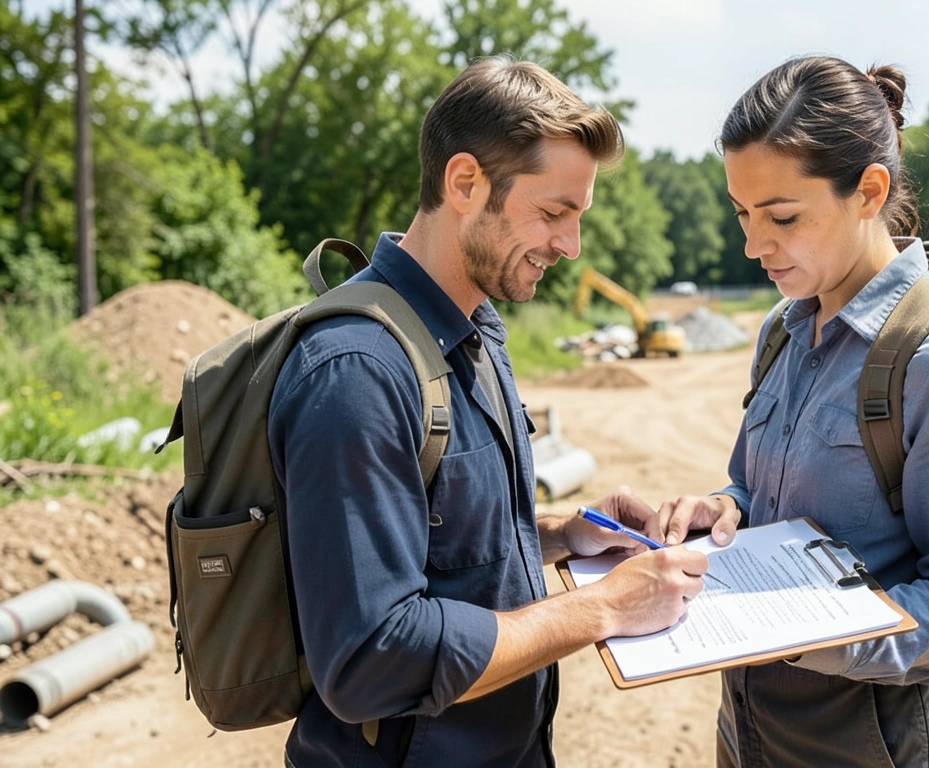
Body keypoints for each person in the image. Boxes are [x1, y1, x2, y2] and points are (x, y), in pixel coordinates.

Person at [268, 57, 709, 767]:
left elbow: (437, 543)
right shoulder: (357, 372)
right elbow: (367, 658)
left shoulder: (476, 329)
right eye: (553, 213)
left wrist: (565, 535)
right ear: (465, 182)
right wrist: (602, 607)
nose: (570, 247)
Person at [658, 56, 929, 767]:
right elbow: (754, 490)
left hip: (884, 746)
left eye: (782, 217)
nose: (753, 245)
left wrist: (818, 634)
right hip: (753, 733)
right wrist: (724, 508)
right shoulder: (783, 331)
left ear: (869, 191)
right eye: (742, 214)